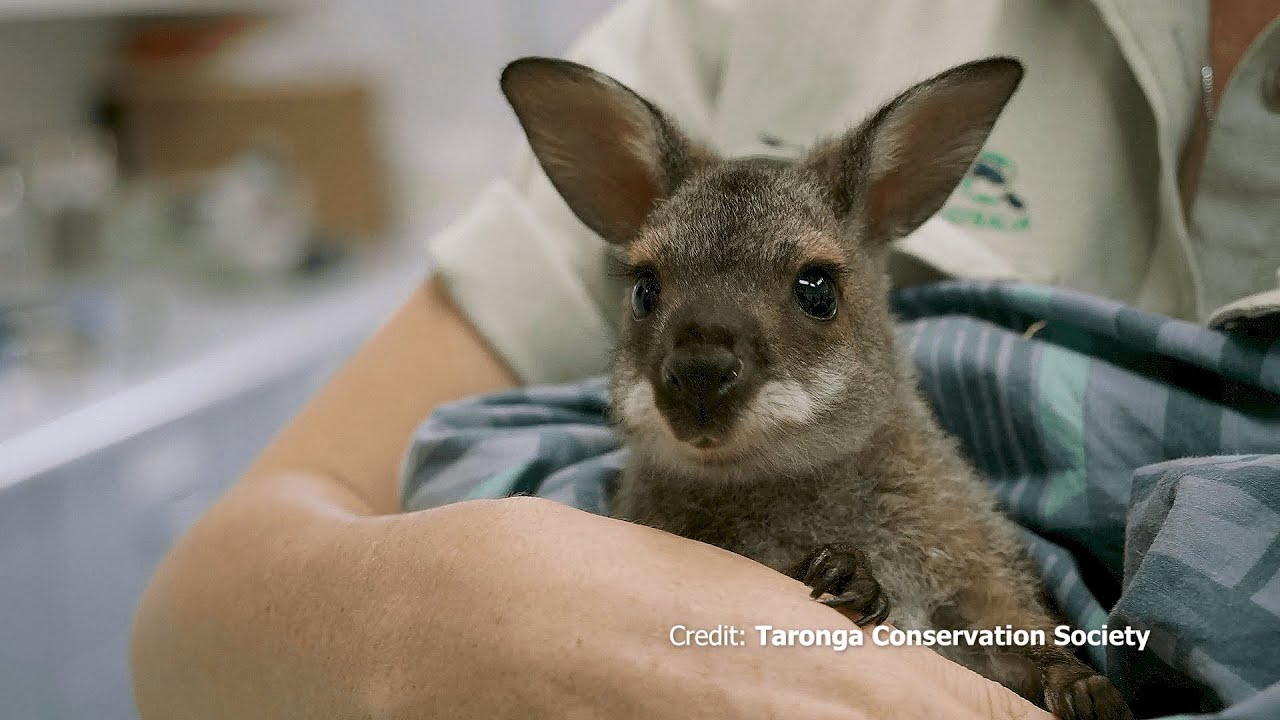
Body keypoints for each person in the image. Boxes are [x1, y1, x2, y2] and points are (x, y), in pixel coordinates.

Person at [130, 1, 1280, 717]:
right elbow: (192, 620)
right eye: (650, 286)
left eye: (811, 288)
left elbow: (981, 587)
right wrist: (426, 610)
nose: (699, 354)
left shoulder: (891, 442)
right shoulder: (731, 22)